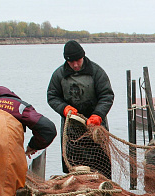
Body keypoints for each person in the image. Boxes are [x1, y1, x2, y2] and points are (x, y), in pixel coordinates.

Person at [47, 40, 114, 175]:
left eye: (78, 60)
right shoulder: (59, 75)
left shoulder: (97, 72)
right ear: (66, 61)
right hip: (71, 127)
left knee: (101, 165)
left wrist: (98, 114)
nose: (76, 65)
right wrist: (64, 108)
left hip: (95, 126)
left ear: (83, 56)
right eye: (72, 62)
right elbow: (52, 97)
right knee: (73, 166)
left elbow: (107, 96)